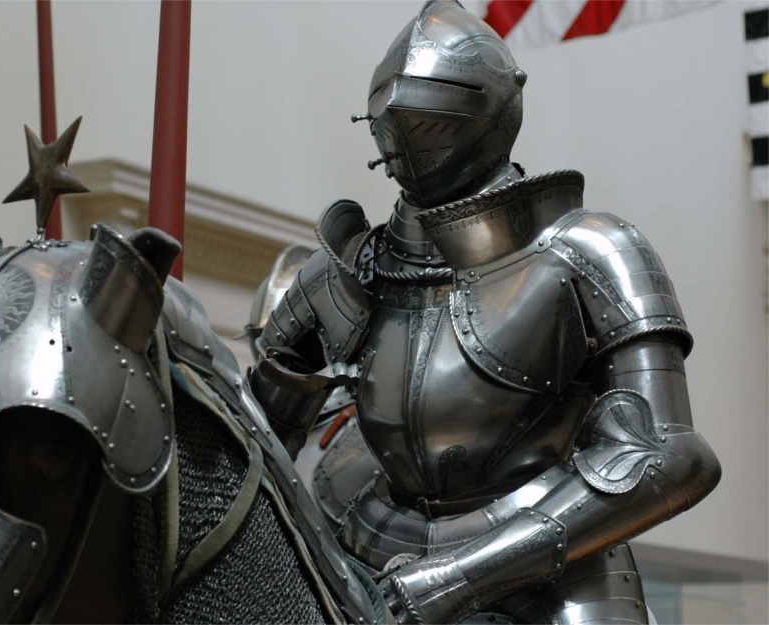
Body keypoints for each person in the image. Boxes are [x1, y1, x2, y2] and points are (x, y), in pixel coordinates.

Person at [249, 2, 721, 622]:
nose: (409, 134)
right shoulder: (343, 271)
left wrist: (460, 578)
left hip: (554, 579)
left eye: (431, 112)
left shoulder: (591, 251)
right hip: (366, 566)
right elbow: (249, 450)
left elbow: (669, 456)